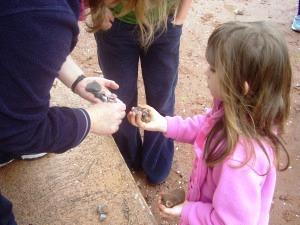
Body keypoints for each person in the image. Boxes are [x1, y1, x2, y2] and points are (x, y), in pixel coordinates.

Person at [128, 21, 292, 224]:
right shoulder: (239, 114)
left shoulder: (239, 163)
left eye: (213, 69)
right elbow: (205, 127)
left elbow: (228, 221)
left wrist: (188, 210)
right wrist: (164, 124)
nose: (206, 72)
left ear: (240, 88)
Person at [0, 1, 126, 224]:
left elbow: (28, 41)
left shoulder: (42, 14)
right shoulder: (46, 14)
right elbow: (22, 130)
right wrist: (89, 119)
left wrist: (79, 81)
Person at [88, 0, 193, 184]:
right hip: (115, 22)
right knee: (120, 99)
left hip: (164, 23)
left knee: (162, 98)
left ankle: (157, 162)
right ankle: (127, 157)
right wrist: (98, 7)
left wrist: (179, 20)